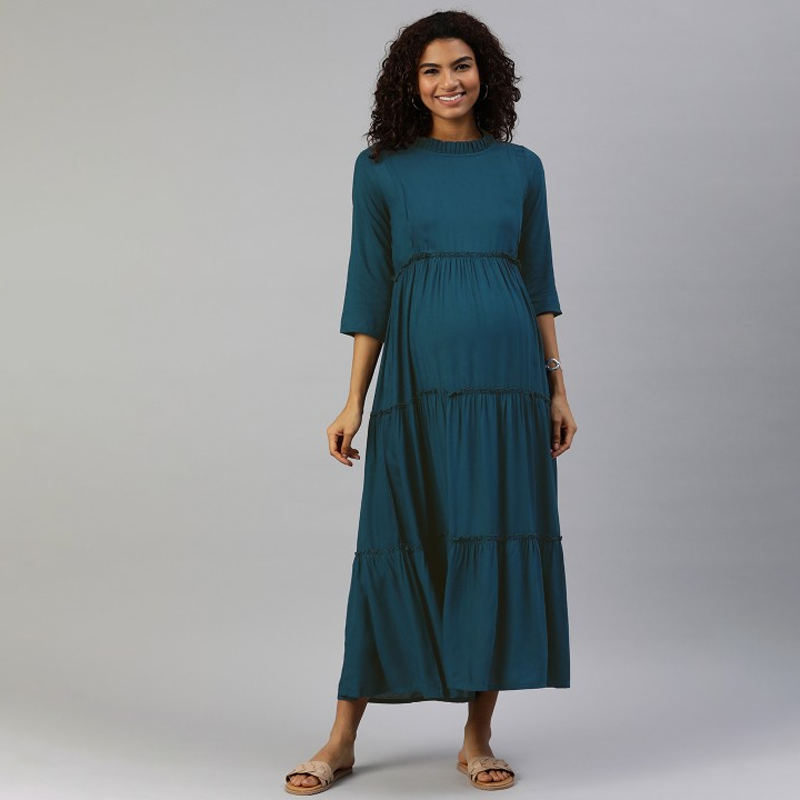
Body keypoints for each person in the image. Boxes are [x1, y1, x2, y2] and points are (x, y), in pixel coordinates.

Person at [285, 9, 578, 794]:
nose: (450, 82)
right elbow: (369, 287)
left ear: (487, 73)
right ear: (409, 85)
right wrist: (353, 399)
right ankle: (341, 739)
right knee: (397, 540)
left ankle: (477, 738)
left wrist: (557, 384)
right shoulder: (382, 168)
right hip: (416, 385)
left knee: (491, 539)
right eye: (431, 71)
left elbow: (539, 280)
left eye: (462, 65)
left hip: (509, 383)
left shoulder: (521, 167)